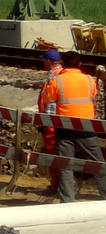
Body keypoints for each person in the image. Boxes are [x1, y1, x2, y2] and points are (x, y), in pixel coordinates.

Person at [40, 50, 106, 203]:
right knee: (98, 164)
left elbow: (47, 99)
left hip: (65, 128)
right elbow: (93, 95)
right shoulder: (89, 79)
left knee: (65, 165)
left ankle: (67, 201)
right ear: (79, 64)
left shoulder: (57, 81)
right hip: (87, 127)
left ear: (63, 64)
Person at [38, 49, 64, 193]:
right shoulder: (64, 74)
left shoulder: (52, 78)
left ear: (48, 61)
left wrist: (45, 122)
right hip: (67, 121)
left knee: (52, 153)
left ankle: (56, 184)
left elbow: (49, 103)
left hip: (52, 123)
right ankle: (62, 184)